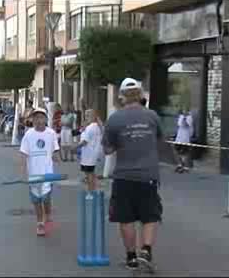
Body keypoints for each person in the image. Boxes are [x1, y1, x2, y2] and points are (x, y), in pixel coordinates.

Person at [102, 78, 163, 271]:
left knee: (126, 218)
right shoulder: (152, 116)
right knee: (150, 216)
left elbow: (107, 150)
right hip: (149, 176)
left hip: (124, 177)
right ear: (140, 94)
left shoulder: (114, 119)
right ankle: (146, 250)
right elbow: (160, 140)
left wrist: (120, 142)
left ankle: (131, 258)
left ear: (122, 97)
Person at [19, 107, 60, 236]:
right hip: (33, 174)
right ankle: (40, 224)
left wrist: (56, 156)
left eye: (41, 117)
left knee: (46, 198)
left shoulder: (51, 133)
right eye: (35, 117)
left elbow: (55, 150)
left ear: (46, 119)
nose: (38, 120)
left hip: (47, 173)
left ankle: (47, 214)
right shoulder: (29, 135)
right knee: (37, 201)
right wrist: (22, 172)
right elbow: (23, 154)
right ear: (32, 119)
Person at [75, 109, 103, 193]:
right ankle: (94, 190)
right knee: (91, 174)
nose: (86, 118)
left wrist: (75, 148)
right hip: (92, 154)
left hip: (89, 156)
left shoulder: (91, 127)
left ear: (94, 117)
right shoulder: (96, 126)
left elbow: (84, 141)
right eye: (85, 115)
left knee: (89, 174)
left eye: (88, 116)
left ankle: (91, 191)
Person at [174, 109, 194, 173]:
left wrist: (184, 118)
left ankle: (185, 167)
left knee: (185, 153)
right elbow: (179, 125)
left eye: (185, 110)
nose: (183, 112)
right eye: (183, 110)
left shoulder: (189, 117)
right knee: (177, 152)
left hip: (186, 138)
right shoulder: (181, 117)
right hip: (179, 138)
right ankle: (180, 165)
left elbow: (185, 125)